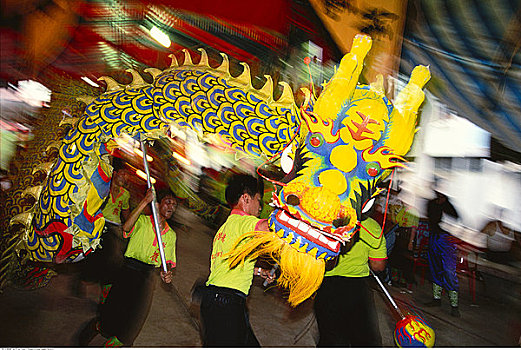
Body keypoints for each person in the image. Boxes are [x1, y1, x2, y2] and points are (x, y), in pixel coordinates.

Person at [79, 187, 177, 346]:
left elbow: (167, 262)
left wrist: (167, 273)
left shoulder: (171, 235)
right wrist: (145, 201)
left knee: (132, 325)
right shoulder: (143, 221)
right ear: (157, 204)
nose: (171, 207)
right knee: (112, 315)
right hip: (128, 272)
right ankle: (97, 327)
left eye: (174, 205)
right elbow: (125, 228)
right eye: (168, 202)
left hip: (146, 279)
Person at [199, 173, 273, 347]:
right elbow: (268, 228)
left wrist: (260, 271)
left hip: (217, 301)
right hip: (226, 304)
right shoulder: (244, 222)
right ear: (246, 198)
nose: (260, 207)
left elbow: (231, 263)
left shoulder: (226, 227)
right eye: (258, 200)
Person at [314, 216, 387, 347]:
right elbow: (378, 265)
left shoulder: (324, 220)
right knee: (365, 340)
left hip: (327, 286)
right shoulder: (372, 226)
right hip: (358, 290)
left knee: (331, 338)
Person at [425, 185, 461, 317]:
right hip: (434, 237)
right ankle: (436, 299)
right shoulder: (431, 203)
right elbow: (431, 219)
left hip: (446, 240)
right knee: (435, 268)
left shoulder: (450, 206)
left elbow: (456, 222)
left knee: (448, 271)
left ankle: (454, 305)